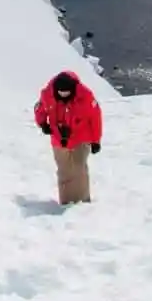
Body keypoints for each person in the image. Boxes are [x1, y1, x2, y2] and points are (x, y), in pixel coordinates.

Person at [34, 71, 103, 205]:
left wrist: (96, 140)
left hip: (81, 137)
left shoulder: (86, 96)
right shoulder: (47, 94)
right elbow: (39, 108)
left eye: (66, 92)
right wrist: (42, 123)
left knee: (79, 169)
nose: (63, 94)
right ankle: (65, 201)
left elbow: (95, 118)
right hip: (58, 138)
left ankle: (83, 201)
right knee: (64, 171)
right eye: (60, 92)